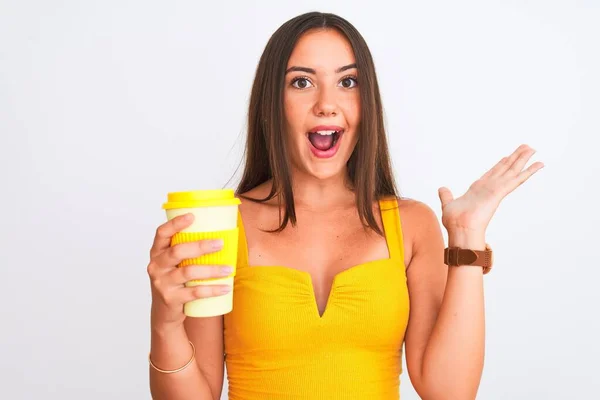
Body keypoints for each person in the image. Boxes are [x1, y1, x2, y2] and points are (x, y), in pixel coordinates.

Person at [146, 11, 544, 400]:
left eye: (348, 82)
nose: (326, 104)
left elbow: (450, 392)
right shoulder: (221, 224)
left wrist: (466, 236)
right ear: (272, 103)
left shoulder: (411, 225)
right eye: (301, 82)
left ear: (366, 102)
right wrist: (165, 322)